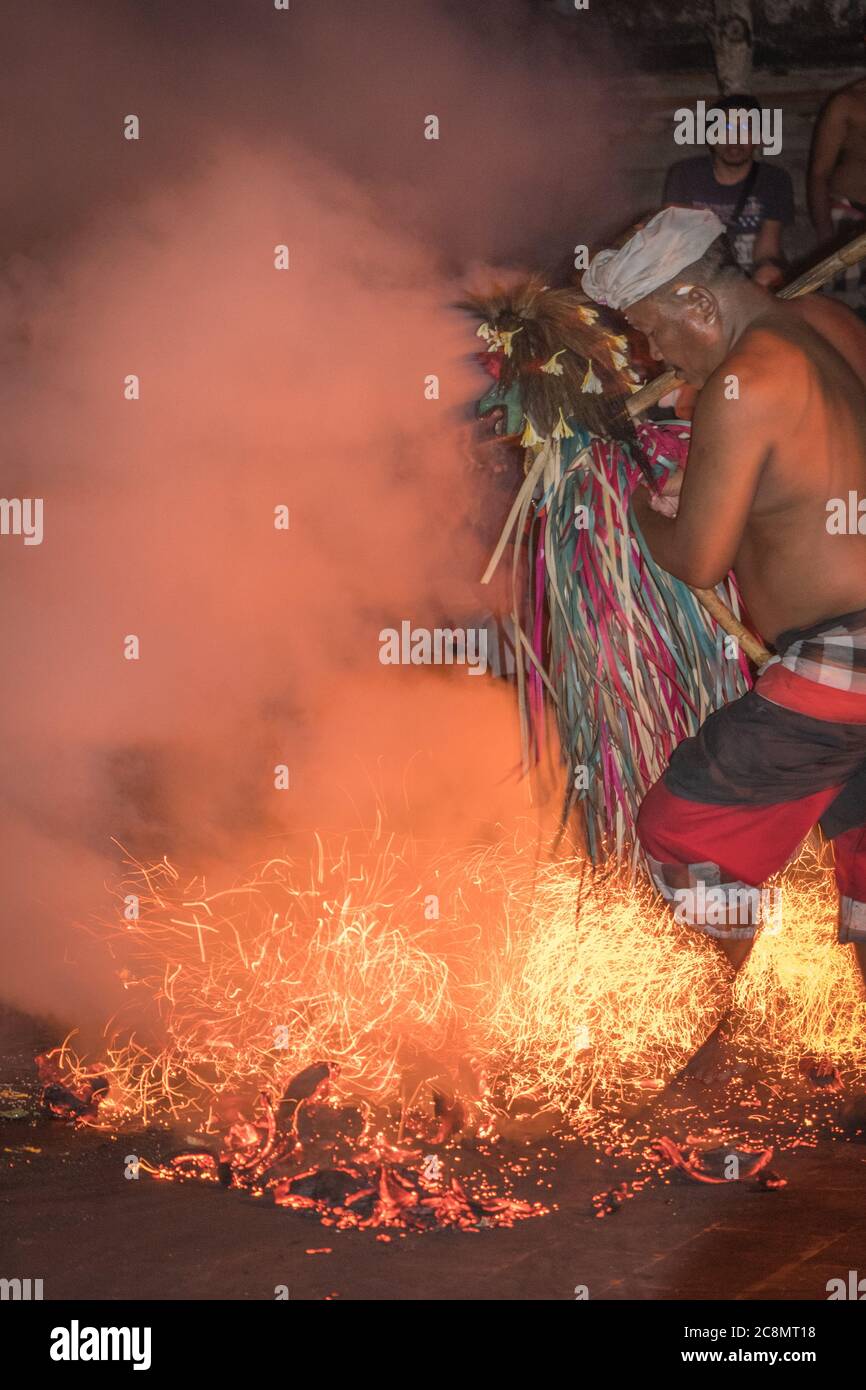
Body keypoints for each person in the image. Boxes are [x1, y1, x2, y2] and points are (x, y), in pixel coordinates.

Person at [582, 207, 866, 1074]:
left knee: (684, 828)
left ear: (700, 303)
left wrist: (643, 511)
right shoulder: (827, 324)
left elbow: (697, 556)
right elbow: (808, 492)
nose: (661, 358)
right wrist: (718, 500)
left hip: (842, 663)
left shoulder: (749, 379)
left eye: (657, 334)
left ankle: (721, 1028)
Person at [663, 93, 794, 289]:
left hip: (750, 283)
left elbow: (768, 250)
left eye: (746, 129)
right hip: (699, 280)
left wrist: (767, 271)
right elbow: (673, 240)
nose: (735, 140)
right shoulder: (684, 175)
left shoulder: (774, 180)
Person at [808, 76, 866, 314]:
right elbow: (819, 174)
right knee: (848, 313)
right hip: (850, 219)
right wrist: (826, 239)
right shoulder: (848, 102)